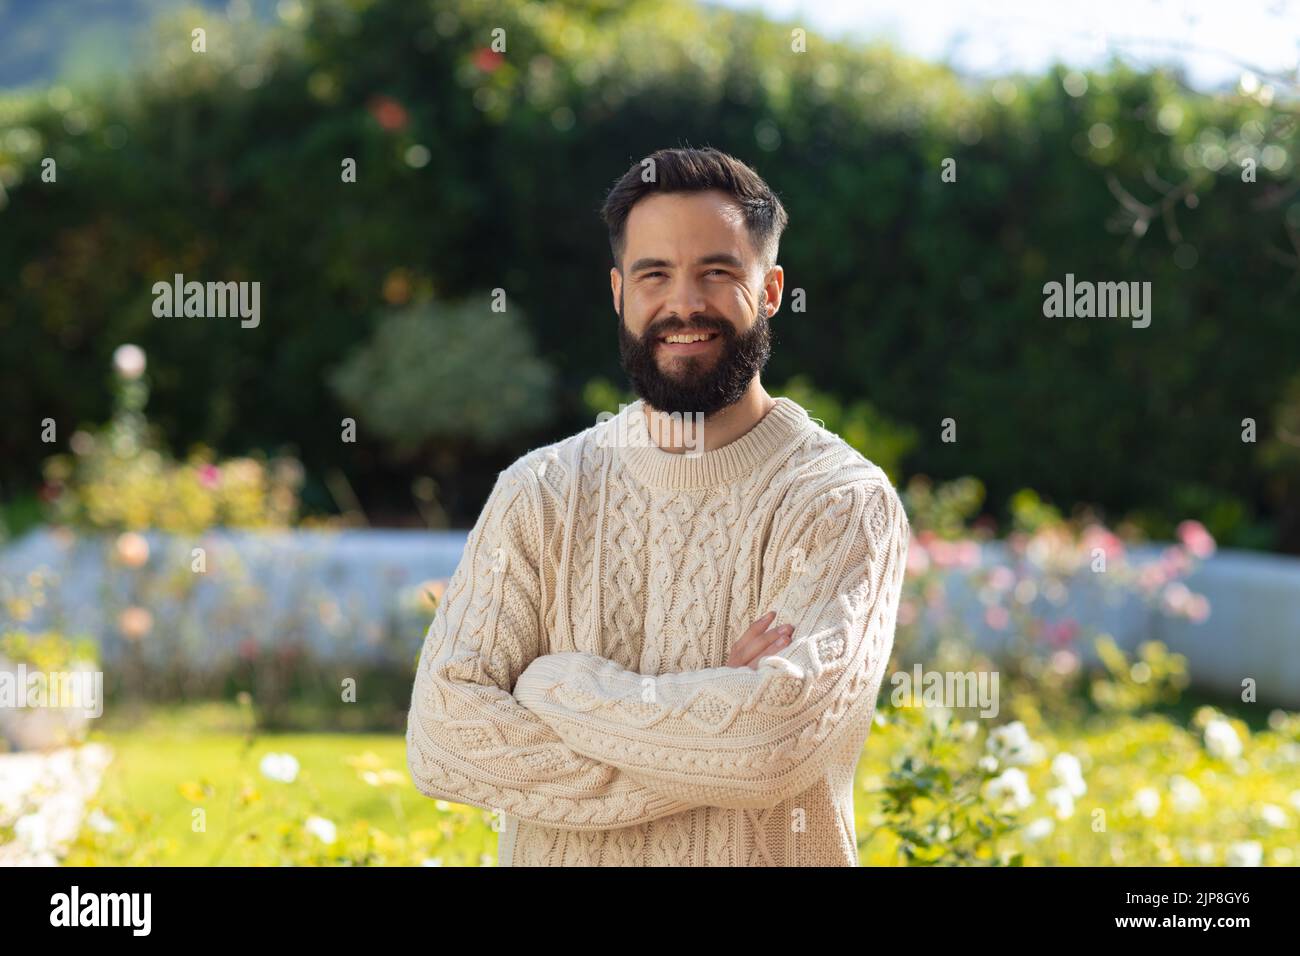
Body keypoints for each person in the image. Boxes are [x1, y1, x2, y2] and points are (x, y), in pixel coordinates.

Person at [406, 146, 910, 866]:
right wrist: (712, 721)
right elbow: (444, 740)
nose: (684, 303)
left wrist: (554, 685)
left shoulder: (839, 501)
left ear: (770, 291)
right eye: (655, 275)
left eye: (717, 272)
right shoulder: (541, 490)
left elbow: (770, 744)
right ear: (618, 291)